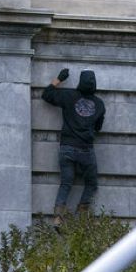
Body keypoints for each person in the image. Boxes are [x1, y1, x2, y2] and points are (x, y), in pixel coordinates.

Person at [42, 68, 106, 225]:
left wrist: (59, 78)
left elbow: (46, 94)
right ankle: (81, 217)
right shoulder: (99, 104)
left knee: (66, 183)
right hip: (86, 149)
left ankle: (58, 217)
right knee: (91, 184)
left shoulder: (69, 96)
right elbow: (98, 128)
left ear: (80, 81)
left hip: (67, 148)